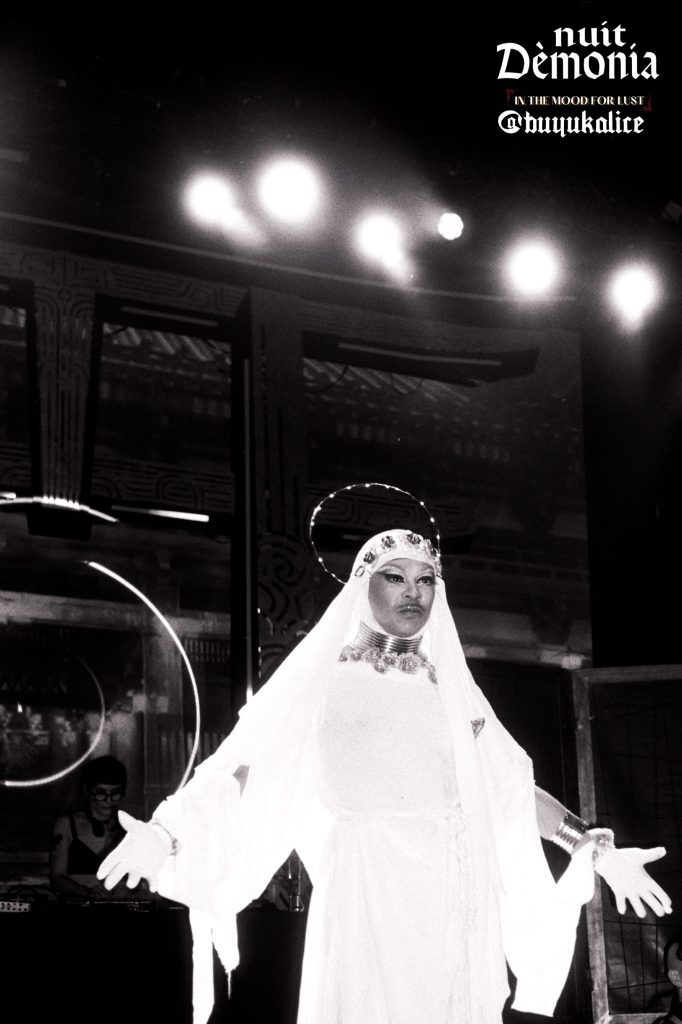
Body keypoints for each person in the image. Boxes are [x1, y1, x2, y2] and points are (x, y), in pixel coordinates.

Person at [97, 529, 673, 1024]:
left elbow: (512, 795)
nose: (412, 591)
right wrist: (168, 832)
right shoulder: (320, 682)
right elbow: (242, 770)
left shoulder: (453, 693)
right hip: (366, 891)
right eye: (395, 577)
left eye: (425, 580)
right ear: (363, 585)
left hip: (451, 897)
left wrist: (594, 849)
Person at [50, 754, 129, 900]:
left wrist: (129, 888)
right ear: (87, 790)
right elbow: (57, 878)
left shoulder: (128, 826)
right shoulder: (66, 824)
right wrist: (87, 893)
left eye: (115, 793)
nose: (108, 800)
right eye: (100, 793)